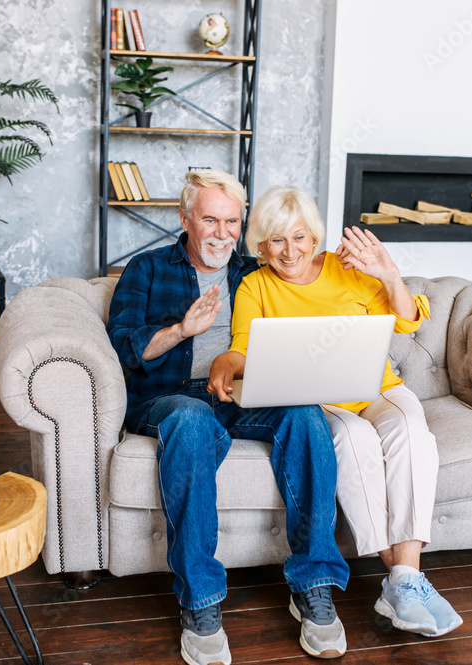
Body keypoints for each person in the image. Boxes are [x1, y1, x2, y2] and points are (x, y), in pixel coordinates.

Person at [107, 170, 351, 665]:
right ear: (185, 219)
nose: (222, 233)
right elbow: (124, 347)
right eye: (210, 220)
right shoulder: (147, 269)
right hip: (171, 398)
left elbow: (310, 276)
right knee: (193, 420)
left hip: (244, 394)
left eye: (232, 222)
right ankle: (200, 601)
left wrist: (356, 267)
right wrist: (181, 329)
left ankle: (314, 584)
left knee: (304, 413)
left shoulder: (254, 273)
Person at [209, 185, 463, 638]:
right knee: (354, 440)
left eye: (300, 238)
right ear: (261, 246)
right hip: (320, 400)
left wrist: (388, 273)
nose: (290, 251)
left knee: (411, 429)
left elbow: (407, 320)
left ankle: (404, 579)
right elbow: (244, 348)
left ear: (315, 238)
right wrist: (226, 362)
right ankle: (405, 581)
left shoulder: (347, 269)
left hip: (376, 389)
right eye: (277, 240)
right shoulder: (255, 284)